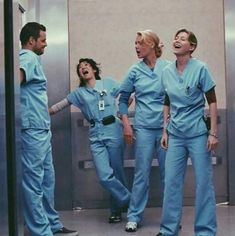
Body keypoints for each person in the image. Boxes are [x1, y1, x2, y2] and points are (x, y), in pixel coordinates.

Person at [49, 58, 131, 223]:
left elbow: (127, 95)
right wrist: (38, 113)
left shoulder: (107, 83)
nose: (83, 68)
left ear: (94, 69)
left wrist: (122, 113)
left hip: (113, 130)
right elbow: (59, 106)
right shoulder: (79, 93)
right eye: (80, 68)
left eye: (86, 65)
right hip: (96, 134)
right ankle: (131, 202)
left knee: (117, 172)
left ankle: (115, 211)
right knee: (105, 176)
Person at [156, 28, 218, 236]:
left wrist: (213, 133)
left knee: (203, 183)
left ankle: (205, 231)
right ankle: (168, 230)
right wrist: (165, 131)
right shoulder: (166, 71)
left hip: (198, 133)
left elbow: (212, 101)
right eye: (176, 37)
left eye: (182, 39)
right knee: (171, 182)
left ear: (191, 46)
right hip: (175, 134)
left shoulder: (200, 68)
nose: (177, 40)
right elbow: (167, 101)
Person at [19, 22, 78, 236]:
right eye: (42, 40)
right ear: (31, 41)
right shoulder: (27, 57)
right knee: (34, 182)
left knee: (46, 180)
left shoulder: (33, 59)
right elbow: (13, 82)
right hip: (32, 129)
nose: (45, 43)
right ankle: (40, 231)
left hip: (41, 129)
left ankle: (52, 225)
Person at [118, 30, 170, 232]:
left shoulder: (168, 68)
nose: (136, 46)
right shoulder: (134, 71)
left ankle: (170, 217)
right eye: (135, 43)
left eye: (140, 43)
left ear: (152, 45)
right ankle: (134, 216)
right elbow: (122, 100)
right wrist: (126, 124)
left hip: (167, 128)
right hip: (144, 128)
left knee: (170, 175)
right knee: (141, 174)